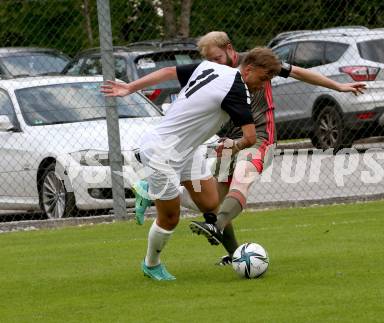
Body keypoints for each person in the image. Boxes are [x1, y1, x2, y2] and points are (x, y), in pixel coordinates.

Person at [183, 31, 367, 265]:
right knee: (210, 201)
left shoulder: (258, 62)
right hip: (230, 143)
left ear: (230, 49)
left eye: (217, 58)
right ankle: (233, 253)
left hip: (260, 138)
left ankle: (216, 226)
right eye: (209, 60)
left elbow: (298, 72)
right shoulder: (215, 73)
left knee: (241, 178)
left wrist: (339, 87)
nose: (213, 63)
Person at [101, 47, 283, 280]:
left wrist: (131, 87)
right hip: (161, 152)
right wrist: (233, 145)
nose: (264, 84)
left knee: (211, 203)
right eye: (264, 78)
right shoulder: (238, 89)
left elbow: (168, 71)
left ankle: (149, 192)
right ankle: (151, 264)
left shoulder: (211, 67)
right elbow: (249, 138)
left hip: (188, 150)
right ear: (248, 70)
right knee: (169, 218)